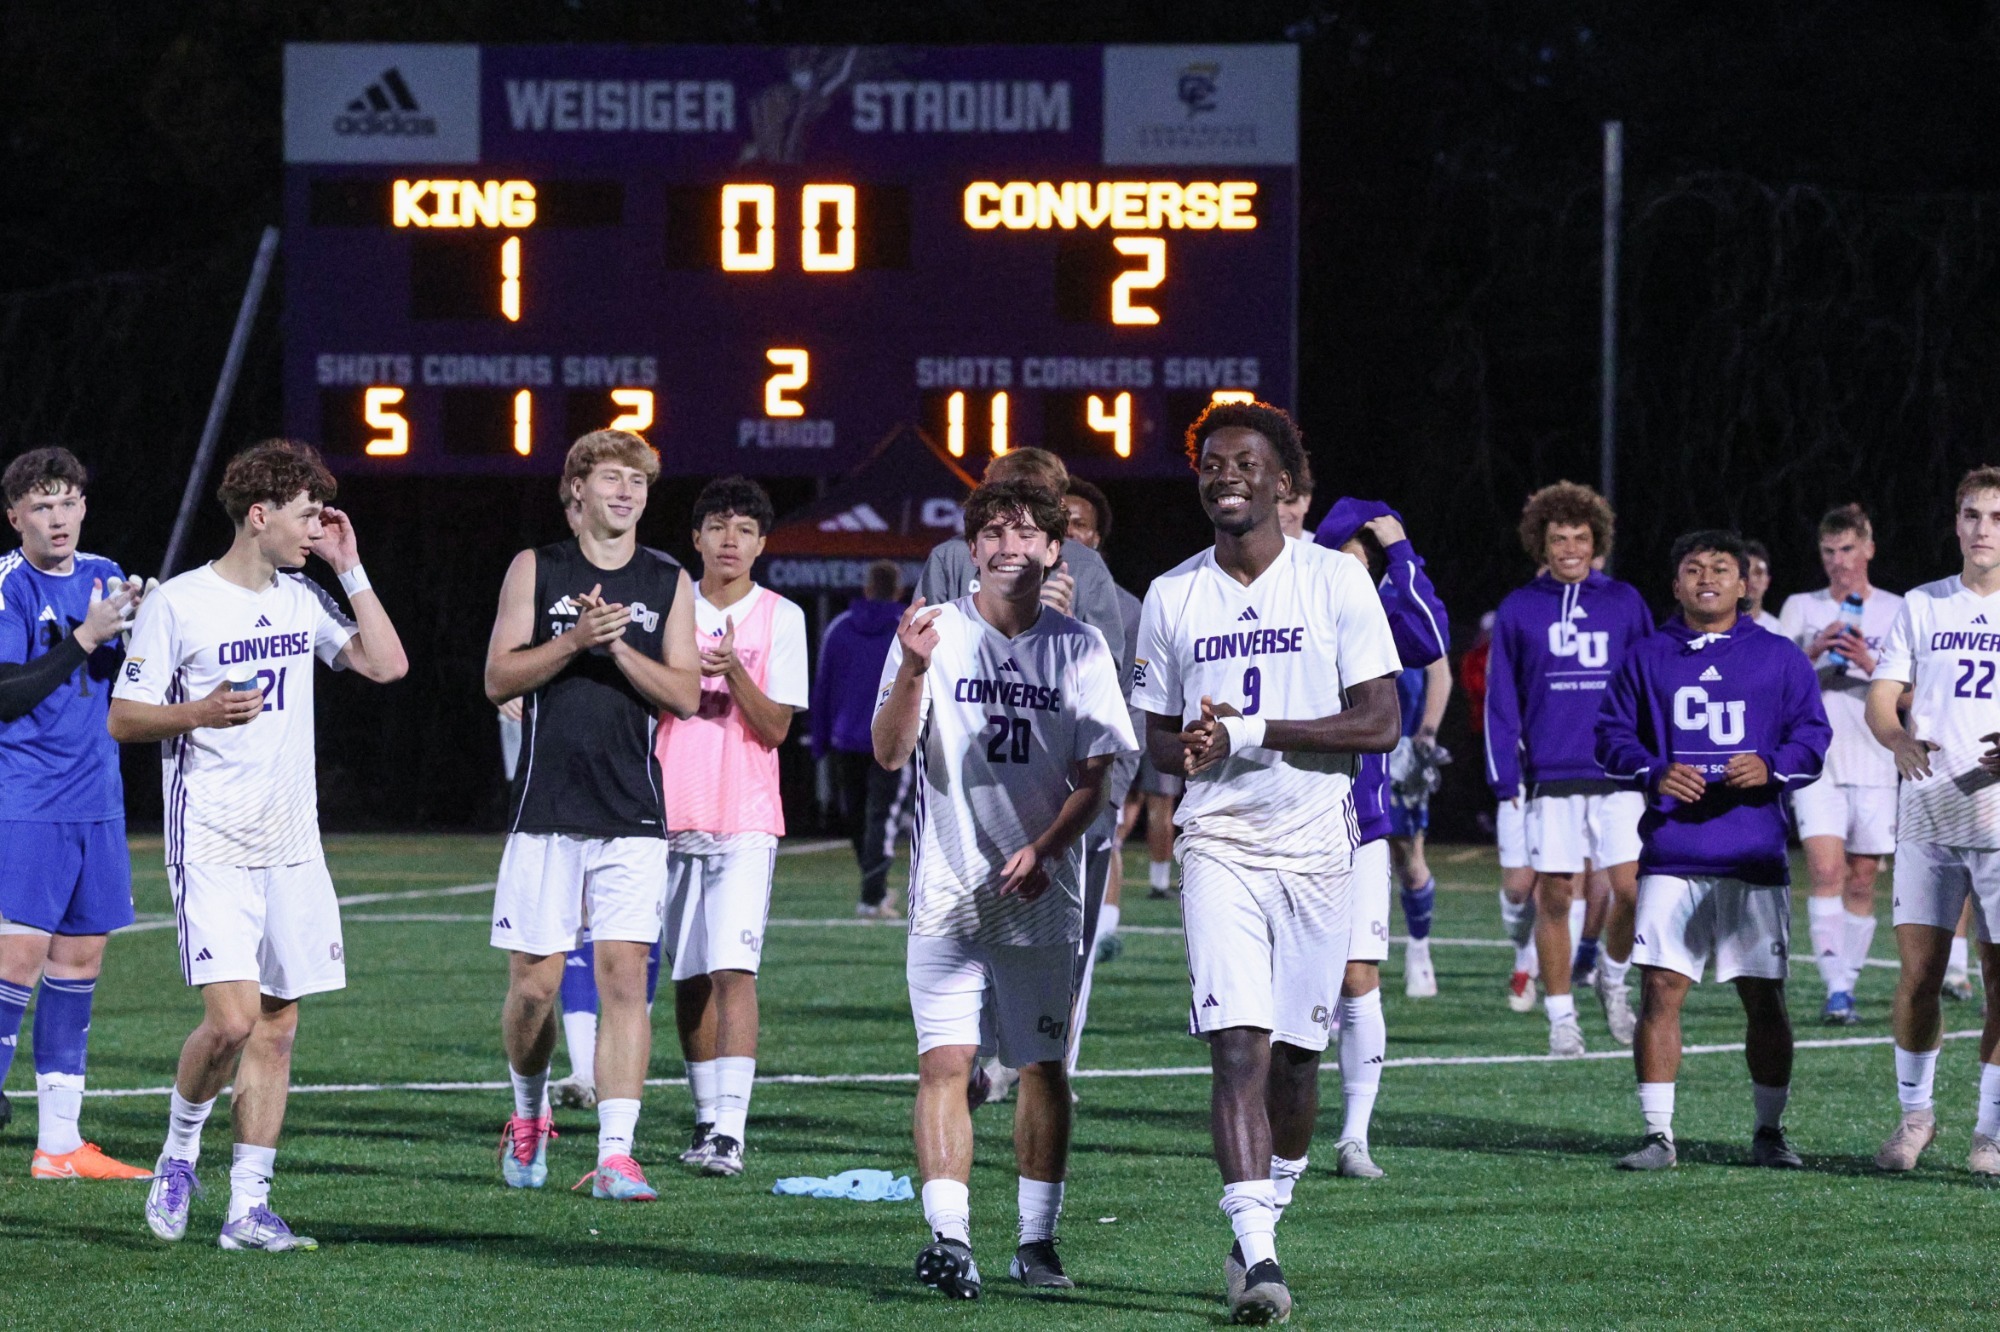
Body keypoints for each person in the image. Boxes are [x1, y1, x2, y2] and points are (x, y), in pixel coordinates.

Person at [1131, 401, 1400, 1325]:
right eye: (1211, 462)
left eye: (1246, 461)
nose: (1226, 474)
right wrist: (1192, 751)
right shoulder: (1172, 595)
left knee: (1294, 1061)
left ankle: (1267, 1208)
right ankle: (1260, 1253)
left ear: (1284, 482)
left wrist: (1256, 730)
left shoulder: (1335, 582)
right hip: (1221, 844)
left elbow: (1381, 721)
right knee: (1237, 1046)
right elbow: (1159, 740)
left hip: (1321, 842)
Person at [113, 438, 408, 1249]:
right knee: (234, 1023)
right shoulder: (181, 602)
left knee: (278, 1027)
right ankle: (178, 1152)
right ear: (259, 515)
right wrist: (197, 713)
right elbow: (124, 717)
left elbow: (387, 664)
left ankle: (248, 1207)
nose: (317, 529)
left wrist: (350, 567)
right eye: (308, 516)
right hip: (209, 839)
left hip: (292, 845)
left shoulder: (302, 597)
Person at [872, 479, 1135, 1298]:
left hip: (1041, 892)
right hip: (948, 891)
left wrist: (1049, 847)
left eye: (1026, 532)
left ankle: (1036, 1240)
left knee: (1041, 1067)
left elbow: (1100, 773)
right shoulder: (931, 631)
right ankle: (949, 1237)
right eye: (992, 532)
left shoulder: (1081, 646)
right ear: (971, 548)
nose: (1007, 545)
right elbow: (888, 752)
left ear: (1058, 550)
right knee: (945, 1063)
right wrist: (913, 671)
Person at [482, 429, 700, 1202]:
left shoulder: (668, 579)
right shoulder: (537, 568)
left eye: (637, 482)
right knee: (536, 987)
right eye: (612, 478)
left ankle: (616, 1153)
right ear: (575, 490)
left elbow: (684, 694)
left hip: (633, 812)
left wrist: (617, 650)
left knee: (625, 978)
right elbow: (498, 674)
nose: (627, 493)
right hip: (545, 807)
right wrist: (574, 638)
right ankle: (529, 1115)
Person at [1596, 530, 1830, 1171]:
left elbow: (1813, 736)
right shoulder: (1646, 656)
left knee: (1763, 994)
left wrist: (1774, 765)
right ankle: (1657, 1136)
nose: (1707, 578)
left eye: (1720, 569)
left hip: (1753, 850)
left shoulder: (1780, 657)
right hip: (1674, 847)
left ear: (1744, 582)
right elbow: (1611, 734)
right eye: (1693, 569)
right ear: (1675, 585)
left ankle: (1769, 1132)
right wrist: (1651, 771)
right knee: (1662, 989)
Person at [917, 447, 1127, 1108]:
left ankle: (1048, 1062)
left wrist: (1062, 616)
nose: (1013, 530)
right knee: (966, 926)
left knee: (1063, 938)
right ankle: (974, 1056)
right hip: (977, 775)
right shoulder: (952, 557)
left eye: (1032, 509)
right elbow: (927, 647)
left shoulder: (1086, 566)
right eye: (1002, 501)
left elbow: (1104, 670)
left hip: (1059, 777)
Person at [0, 447, 150, 1178]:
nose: (56, 517)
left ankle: (59, 1144)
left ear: (83, 507)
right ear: (15, 517)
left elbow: (131, 675)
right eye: (40, 505)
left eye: (67, 502)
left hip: (98, 798)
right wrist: (89, 635)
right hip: (26, 798)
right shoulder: (9, 586)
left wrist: (140, 622)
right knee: (15, 957)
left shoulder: (104, 574)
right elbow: (5, 694)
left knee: (79, 958)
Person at [657, 477, 809, 1178]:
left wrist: (733, 675)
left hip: (745, 816)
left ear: (761, 544)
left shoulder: (780, 616)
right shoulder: (665, 606)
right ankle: (704, 1117)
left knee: (733, 970)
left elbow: (776, 727)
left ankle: (732, 1131)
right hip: (666, 815)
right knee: (686, 977)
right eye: (717, 526)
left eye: (745, 530)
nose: (729, 540)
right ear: (696, 537)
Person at [1864, 467, 2000, 1177]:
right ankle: (1916, 1116)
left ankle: (1991, 1132)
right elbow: (1883, 696)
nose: (1984, 530)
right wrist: (1896, 738)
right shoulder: (1923, 605)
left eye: (1997, 517)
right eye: (1973, 515)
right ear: (1956, 524)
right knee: (1920, 974)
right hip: (1929, 809)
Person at [1485, 482, 1652, 1055]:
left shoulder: (1625, 602)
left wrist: (1657, 762)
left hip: (1619, 771)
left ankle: (1611, 977)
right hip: (1550, 775)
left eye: (1581, 537)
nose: (1571, 548)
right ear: (1542, 544)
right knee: (1553, 897)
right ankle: (1562, 1019)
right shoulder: (1518, 609)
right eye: (1559, 539)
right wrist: (1505, 773)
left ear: (1596, 541)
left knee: (1632, 891)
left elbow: (1650, 684)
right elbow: (1501, 699)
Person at [1312, 498, 1450, 1181]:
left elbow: (1431, 634)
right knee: (1289, 982)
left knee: (1357, 974)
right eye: (1358, 548)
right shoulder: (1296, 603)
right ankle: (1273, 1139)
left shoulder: (1384, 616)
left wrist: (1405, 556)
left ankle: (1353, 1137)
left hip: (1361, 815)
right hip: (1286, 814)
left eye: (1370, 553)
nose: (1361, 563)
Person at [1778, 504, 1903, 1025]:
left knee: (1862, 876)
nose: (1838, 561)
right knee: (1826, 869)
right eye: (1829, 552)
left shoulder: (1898, 610)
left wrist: (1874, 665)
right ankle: (1835, 990)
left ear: (1868, 550)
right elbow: (1773, 682)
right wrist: (1811, 653)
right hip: (1817, 760)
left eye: (1848, 549)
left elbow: (1913, 694)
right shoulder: (1799, 607)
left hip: (1875, 758)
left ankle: (1846, 983)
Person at [1060, 478, 1140, 1076]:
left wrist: (1111, 789)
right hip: (1014, 795)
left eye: (1081, 522)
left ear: (1098, 538)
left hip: (1089, 793)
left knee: (1076, 942)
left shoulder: (1130, 610)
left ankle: (1057, 1063)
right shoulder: (1003, 602)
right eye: (1057, 519)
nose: (1070, 532)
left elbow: (1131, 715)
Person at [811, 559, 912, 919]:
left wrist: (819, 741)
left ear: (866, 589)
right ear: (899, 591)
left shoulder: (839, 628)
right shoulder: (908, 628)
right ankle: (873, 896)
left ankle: (874, 890)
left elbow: (823, 687)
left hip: (845, 739)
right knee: (879, 819)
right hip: (892, 740)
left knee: (858, 818)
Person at [1465, 610, 1543, 1010]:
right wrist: (1504, 777)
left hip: (1561, 781)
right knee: (1517, 889)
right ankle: (1524, 953)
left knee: (1559, 883)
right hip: (1519, 782)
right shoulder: (1504, 664)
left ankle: (1536, 970)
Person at [1743, 539, 1783, 633]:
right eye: (1745, 573)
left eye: (1758, 573)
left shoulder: (1776, 629)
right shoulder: (1719, 627)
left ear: (1767, 581)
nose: (1751, 580)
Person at [1275, 453, 1315, 541]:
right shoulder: (1242, 552)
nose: (1280, 512)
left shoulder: (1325, 551)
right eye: (1273, 502)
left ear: (1306, 501)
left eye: (1290, 502)